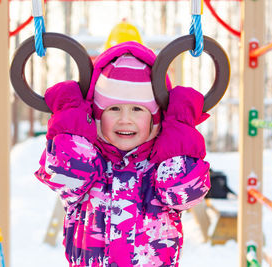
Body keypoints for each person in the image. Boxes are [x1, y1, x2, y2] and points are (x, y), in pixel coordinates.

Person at [35, 41, 211, 267]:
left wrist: (179, 127)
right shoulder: (89, 164)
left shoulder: (161, 168)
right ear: (97, 116)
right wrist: (70, 117)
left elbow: (183, 192)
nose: (125, 119)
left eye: (138, 109)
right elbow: (64, 175)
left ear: (155, 119)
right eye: (113, 109)